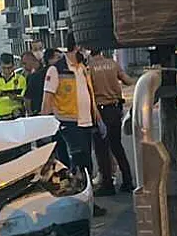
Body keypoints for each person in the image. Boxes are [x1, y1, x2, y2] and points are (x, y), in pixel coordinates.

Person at [41, 35, 106, 217]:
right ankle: (79, 205)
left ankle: (89, 202)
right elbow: (48, 100)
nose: (86, 53)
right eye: (84, 49)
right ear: (77, 47)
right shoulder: (56, 70)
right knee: (79, 163)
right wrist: (43, 126)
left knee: (87, 165)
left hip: (86, 122)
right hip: (69, 124)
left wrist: (98, 119)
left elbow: (90, 95)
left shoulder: (82, 68)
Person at [87, 49, 135, 196]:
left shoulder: (89, 68)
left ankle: (107, 184)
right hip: (115, 109)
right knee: (117, 146)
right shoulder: (112, 64)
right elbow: (128, 81)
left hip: (100, 112)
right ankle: (128, 181)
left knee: (101, 149)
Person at [0, 53, 27, 119]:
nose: (7, 71)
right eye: (4, 68)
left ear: (14, 66)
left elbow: (26, 98)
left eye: (9, 68)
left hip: (16, 116)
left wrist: (15, 98)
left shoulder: (20, 79)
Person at [20, 51, 46, 115]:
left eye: (25, 63)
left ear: (31, 60)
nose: (24, 66)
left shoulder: (34, 76)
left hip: (38, 111)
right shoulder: (46, 71)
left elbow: (27, 98)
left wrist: (29, 113)